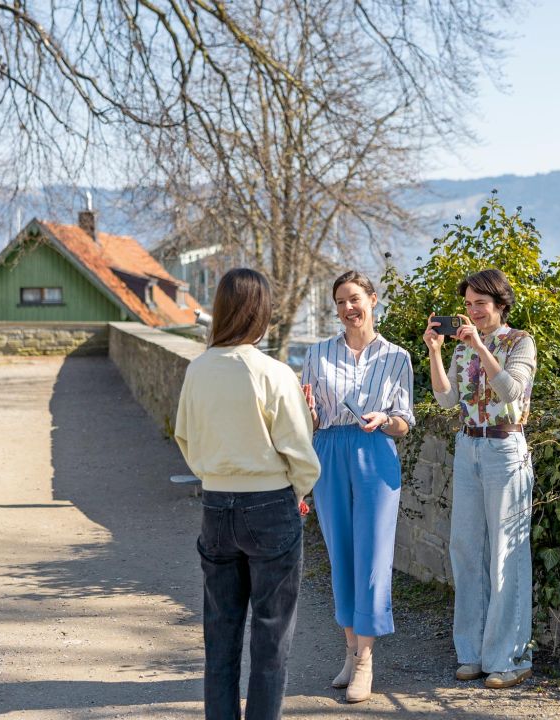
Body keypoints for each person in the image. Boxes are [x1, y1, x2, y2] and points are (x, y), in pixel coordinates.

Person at [175, 267, 321, 720]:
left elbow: (185, 438)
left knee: (220, 632)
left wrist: (217, 475)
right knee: (271, 633)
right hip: (270, 503)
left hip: (217, 504)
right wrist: (296, 492)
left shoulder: (198, 370)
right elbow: (298, 450)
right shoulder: (273, 372)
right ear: (261, 312)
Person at [301, 270, 415, 704]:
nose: (349, 308)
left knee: (373, 557)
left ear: (372, 300)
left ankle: (365, 662)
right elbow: (309, 421)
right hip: (329, 450)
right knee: (341, 555)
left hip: (375, 454)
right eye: (340, 302)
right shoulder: (316, 354)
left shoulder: (397, 357)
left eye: (355, 299)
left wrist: (385, 420)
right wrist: (307, 412)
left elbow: (406, 422)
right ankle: (352, 651)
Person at [423, 268, 537, 689]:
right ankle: (471, 652)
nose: (473, 312)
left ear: (500, 305)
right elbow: (447, 397)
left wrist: (479, 346)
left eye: (480, 305)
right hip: (468, 446)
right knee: (466, 549)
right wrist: (436, 352)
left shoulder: (520, 342)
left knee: (506, 551)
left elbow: (511, 391)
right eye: (468, 305)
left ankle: (508, 657)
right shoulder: (462, 347)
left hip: (505, 448)